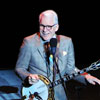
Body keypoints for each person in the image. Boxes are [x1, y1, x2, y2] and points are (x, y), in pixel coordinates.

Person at [15, 9, 100, 100]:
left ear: (56, 27)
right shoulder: (29, 42)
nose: (44, 30)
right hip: (36, 94)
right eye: (42, 26)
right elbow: (20, 68)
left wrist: (86, 77)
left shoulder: (67, 42)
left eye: (49, 26)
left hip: (60, 95)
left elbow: (70, 69)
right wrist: (28, 77)